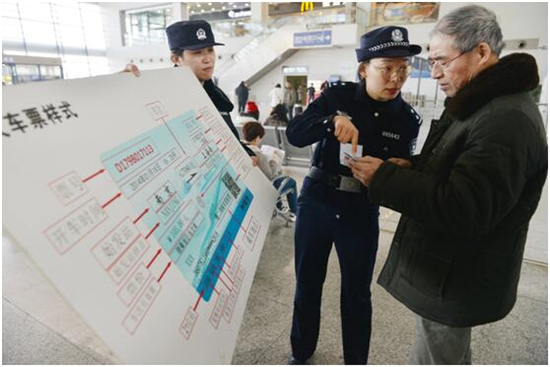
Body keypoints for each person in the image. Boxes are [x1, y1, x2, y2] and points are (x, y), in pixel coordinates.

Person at [347, 5, 548, 364]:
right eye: (430, 62)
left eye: (442, 61)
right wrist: (415, 166)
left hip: (459, 273)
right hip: (449, 266)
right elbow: (462, 168)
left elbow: (464, 208)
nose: (435, 72)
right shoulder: (482, 103)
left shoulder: (505, 119)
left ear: (482, 52)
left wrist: (385, 178)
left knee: (437, 355)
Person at [286, 26, 422, 365]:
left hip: (361, 210)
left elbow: (402, 169)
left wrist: (394, 173)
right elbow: (295, 134)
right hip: (317, 200)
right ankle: (301, 353)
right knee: (307, 283)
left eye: (403, 68)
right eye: (386, 68)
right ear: (364, 69)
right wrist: (330, 121)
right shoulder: (337, 97)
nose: (396, 78)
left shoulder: (407, 120)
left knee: (357, 294)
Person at [122, 20, 256, 160]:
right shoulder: (161, 95)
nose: (208, 59)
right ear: (176, 59)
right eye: (197, 52)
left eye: (210, 50)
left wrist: (248, 153)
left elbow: (229, 137)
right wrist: (121, 87)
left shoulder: (218, 96)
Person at [241, 121, 298, 221]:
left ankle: (279, 206)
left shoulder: (242, 149)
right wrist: (274, 160)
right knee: (291, 182)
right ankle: (294, 212)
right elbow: (270, 176)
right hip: (264, 189)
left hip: (250, 187)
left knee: (278, 182)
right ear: (257, 137)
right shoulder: (259, 156)